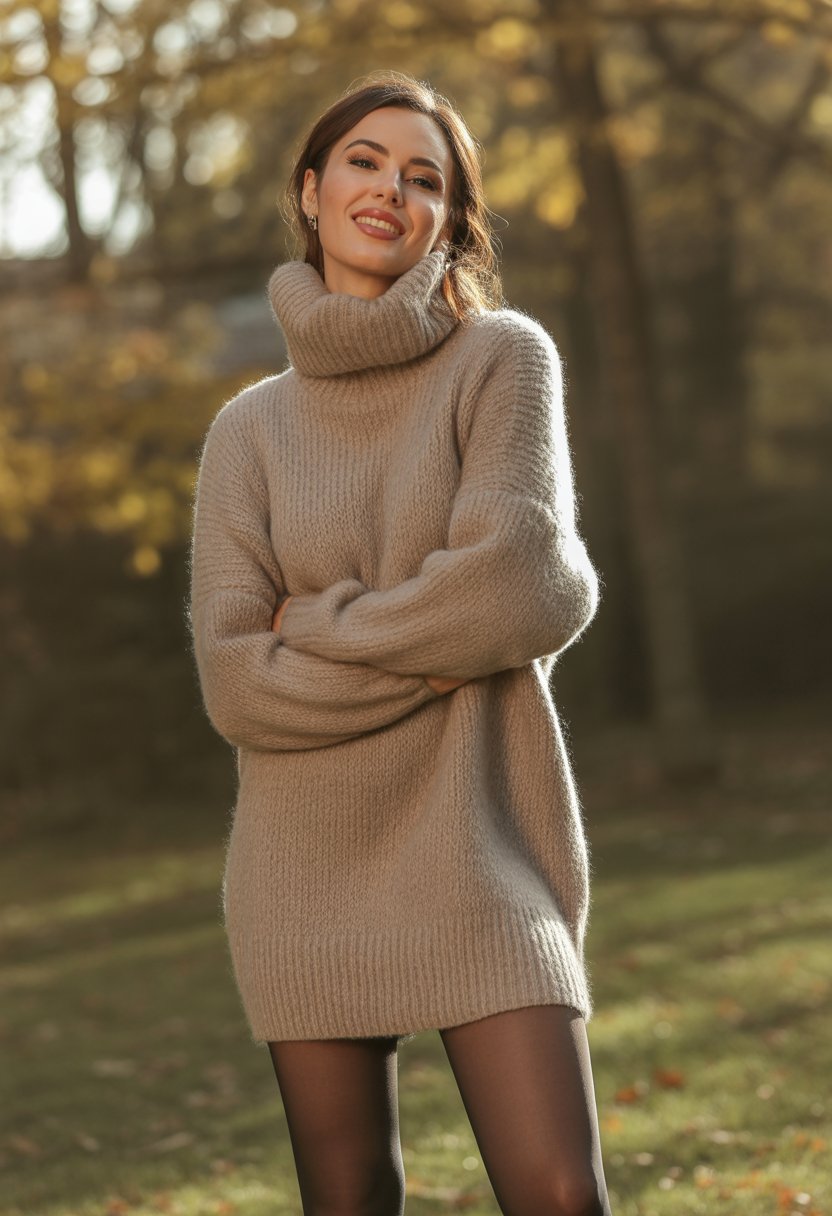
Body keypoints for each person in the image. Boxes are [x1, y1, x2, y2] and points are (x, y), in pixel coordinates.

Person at [189, 70, 612, 1216]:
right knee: (347, 1202)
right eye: (368, 162)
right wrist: (433, 649)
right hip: (301, 866)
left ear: (449, 221)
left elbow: (518, 586)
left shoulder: (501, 360)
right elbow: (236, 683)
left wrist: (315, 629)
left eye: (425, 178)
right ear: (313, 189)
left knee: (560, 1193)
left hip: (479, 842)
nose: (392, 190)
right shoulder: (247, 431)